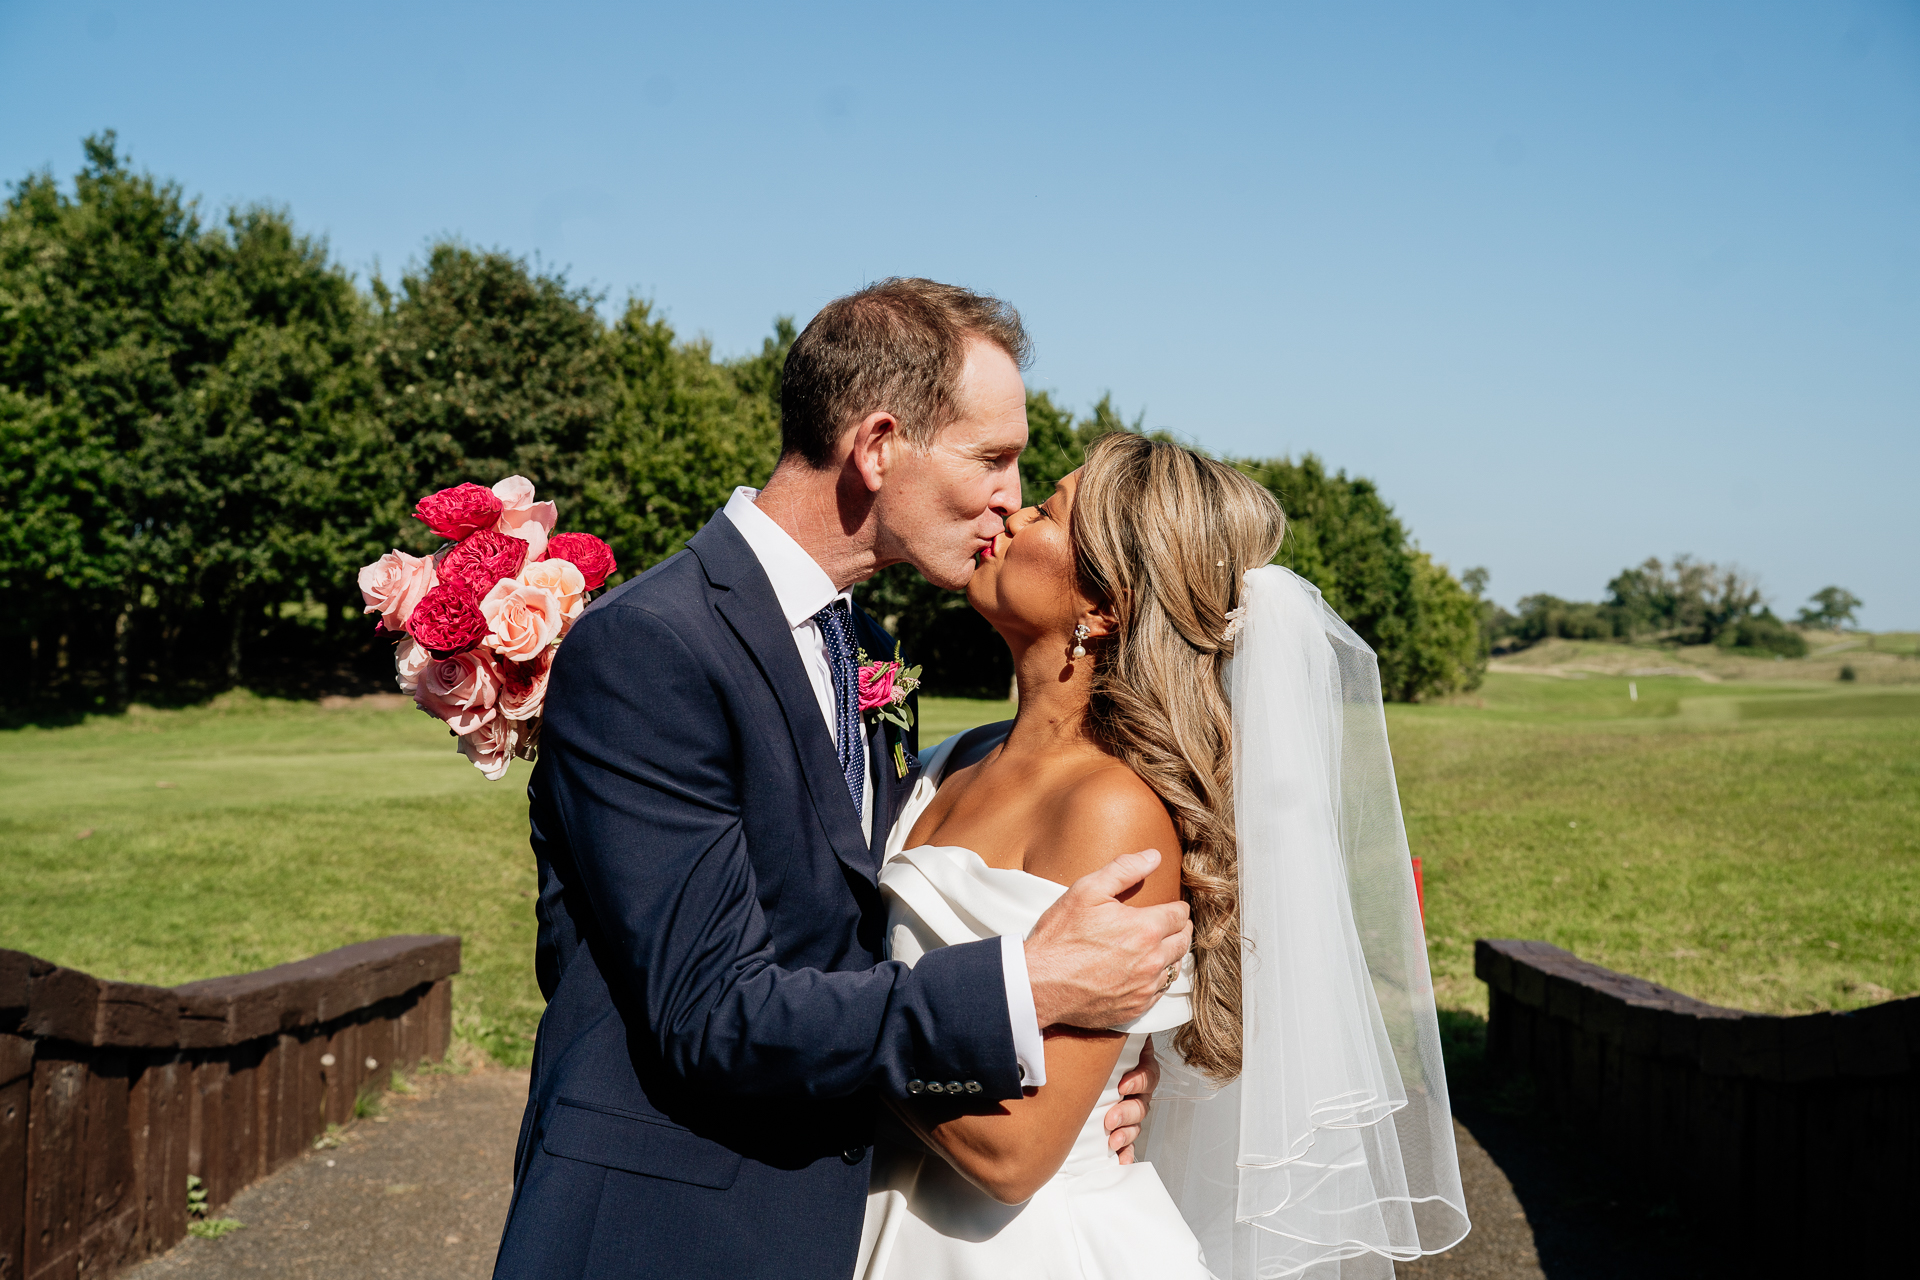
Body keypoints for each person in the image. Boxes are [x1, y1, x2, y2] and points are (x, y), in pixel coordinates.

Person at [492, 280, 1191, 1280]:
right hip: (667, 1224)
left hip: (837, 1217)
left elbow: (849, 930)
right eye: (993, 457)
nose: (1010, 494)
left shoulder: (863, 647)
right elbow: (711, 1012)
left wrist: (1092, 1072)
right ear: (878, 446)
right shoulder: (653, 644)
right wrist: (1024, 990)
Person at [857, 432, 1471, 1278]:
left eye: (1045, 509)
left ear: (1105, 606)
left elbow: (1015, 1154)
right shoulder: (953, 755)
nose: (1007, 509)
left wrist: (809, 1026)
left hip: (1013, 1248)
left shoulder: (1111, 809)